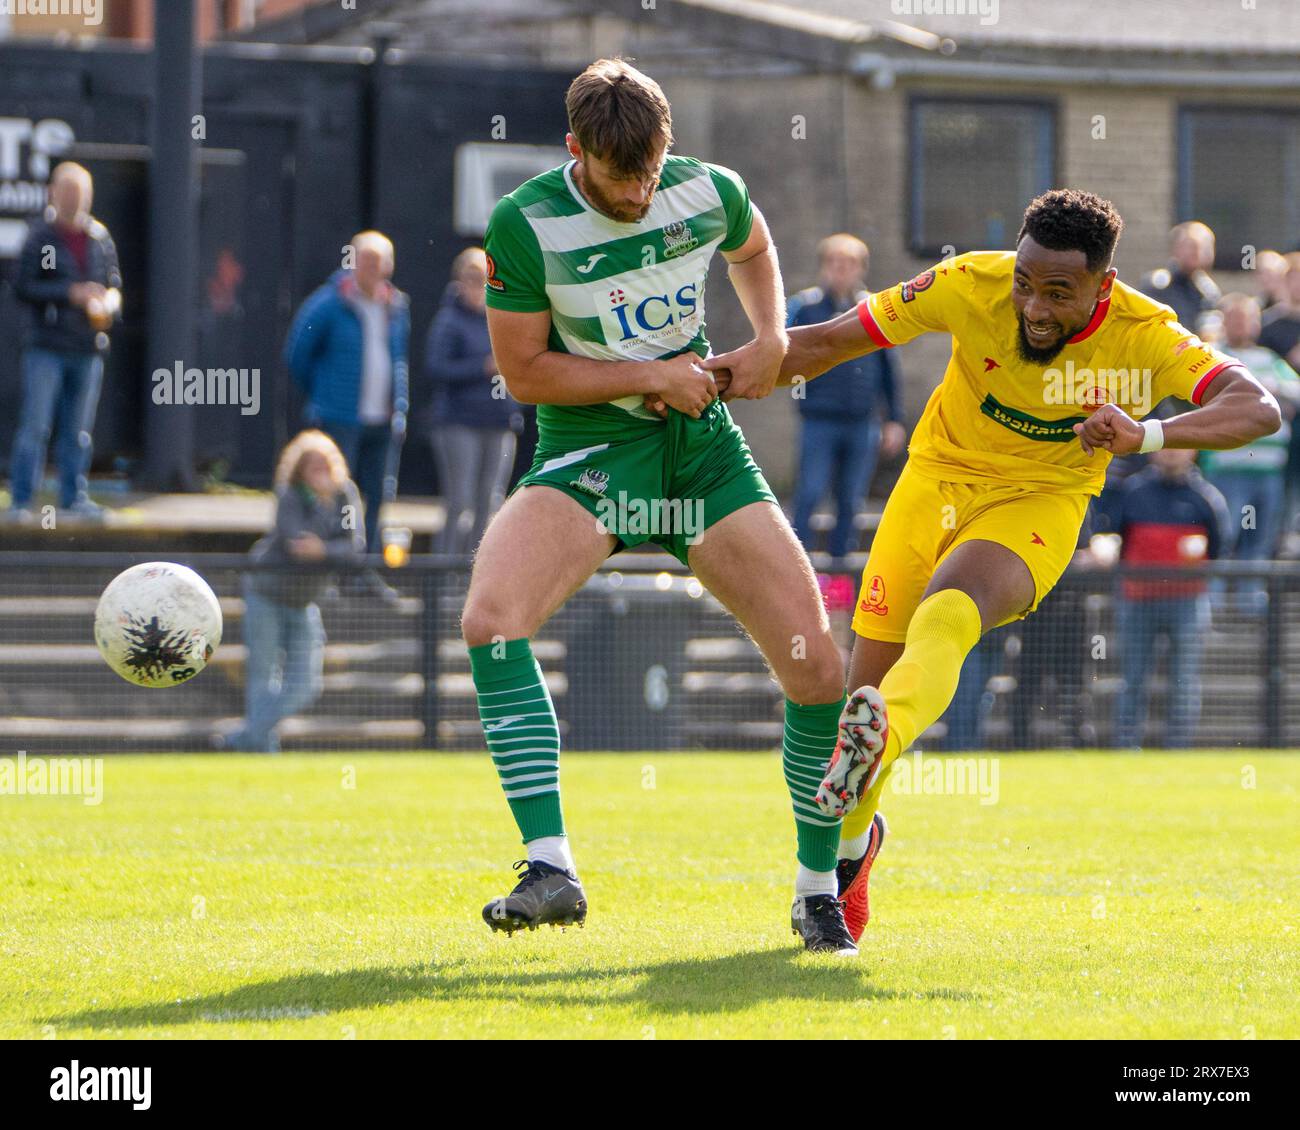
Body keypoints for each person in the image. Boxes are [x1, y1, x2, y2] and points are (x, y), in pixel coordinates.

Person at [762, 188, 1280, 942]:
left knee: (948, 611)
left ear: (1103, 286)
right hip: (934, 479)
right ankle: (840, 866)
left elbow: (1258, 406)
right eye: (1026, 284)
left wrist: (1148, 435)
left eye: (1058, 293)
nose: (1033, 308)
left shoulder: (1144, 333)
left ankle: (884, 736)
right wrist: (727, 372)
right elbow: (834, 339)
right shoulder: (969, 281)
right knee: (860, 691)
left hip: (1040, 498)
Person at [467, 58, 860, 954]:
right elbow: (522, 371)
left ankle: (815, 889)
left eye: (651, 171)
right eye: (619, 179)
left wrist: (768, 339)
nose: (641, 193)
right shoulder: (523, 223)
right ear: (576, 151)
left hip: (702, 456)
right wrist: (650, 374)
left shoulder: (706, 188)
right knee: (491, 620)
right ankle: (550, 868)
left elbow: (752, 246)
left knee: (815, 669)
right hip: (593, 455)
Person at [228, 430, 364, 753]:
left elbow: (354, 548)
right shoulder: (290, 495)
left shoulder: (345, 497)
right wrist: (320, 508)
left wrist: (325, 546)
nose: (321, 472)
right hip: (266, 592)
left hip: (305, 601)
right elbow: (297, 544)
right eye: (312, 466)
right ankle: (261, 748)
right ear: (298, 469)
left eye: (325, 464)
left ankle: (245, 736)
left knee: (306, 684)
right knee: (262, 676)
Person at [7, 162, 121, 523]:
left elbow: (115, 284)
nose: (75, 200)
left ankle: (74, 498)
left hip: (87, 349)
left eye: (81, 193)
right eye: (68, 192)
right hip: (47, 348)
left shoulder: (100, 238)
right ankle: (22, 501)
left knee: (78, 432)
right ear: (54, 193)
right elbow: (23, 287)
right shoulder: (41, 237)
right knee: (36, 426)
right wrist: (68, 293)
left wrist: (108, 303)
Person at [284, 230, 409, 556]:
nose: (374, 269)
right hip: (339, 417)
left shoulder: (396, 306)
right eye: (368, 261)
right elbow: (297, 354)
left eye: (381, 262)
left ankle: (365, 565)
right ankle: (337, 566)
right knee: (337, 495)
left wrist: (399, 406)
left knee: (379, 495)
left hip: (383, 419)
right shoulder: (327, 303)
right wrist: (325, 393)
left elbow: (398, 359)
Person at [787, 234, 905, 558]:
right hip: (819, 420)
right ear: (824, 266)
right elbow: (786, 352)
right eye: (835, 262)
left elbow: (889, 369)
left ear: (861, 268)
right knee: (809, 493)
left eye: (850, 263)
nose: (842, 270)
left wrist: (894, 419)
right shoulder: (804, 307)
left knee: (851, 500)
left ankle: (841, 579)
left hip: (861, 422)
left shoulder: (874, 309)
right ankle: (798, 567)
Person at [1111, 447, 1228, 749]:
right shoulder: (1133, 491)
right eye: (1166, 447)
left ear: (1192, 452)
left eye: (1179, 447)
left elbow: (1218, 549)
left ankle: (1179, 747)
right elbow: (1114, 537)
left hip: (1186, 602)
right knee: (1132, 678)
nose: (1172, 454)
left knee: (1184, 681)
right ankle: (1126, 747)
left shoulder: (1206, 497)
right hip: (1137, 599)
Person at [1197, 294, 1300, 613]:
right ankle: (1211, 605)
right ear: (1225, 321)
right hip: (1226, 468)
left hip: (1268, 471)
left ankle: (1249, 606)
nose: (1242, 324)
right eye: (1235, 317)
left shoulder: (1270, 360)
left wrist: (1263, 393)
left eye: (1248, 318)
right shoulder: (1214, 356)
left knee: (1261, 541)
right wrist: (1265, 395)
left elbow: (1294, 394)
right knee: (1224, 537)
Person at [426, 247, 521, 555]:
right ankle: (441, 582)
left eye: (485, 278)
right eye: (471, 277)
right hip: (459, 423)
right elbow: (436, 368)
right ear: (458, 281)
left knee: (490, 503)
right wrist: (481, 367)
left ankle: (476, 580)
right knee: (460, 501)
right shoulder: (448, 321)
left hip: (500, 423)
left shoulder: (505, 316)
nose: (478, 285)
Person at [1139, 220, 1221, 336]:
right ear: (1176, 249)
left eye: (1204, 247)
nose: (1197, 252)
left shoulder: (1209, 291)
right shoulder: (1158, 284)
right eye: (1191, 246)